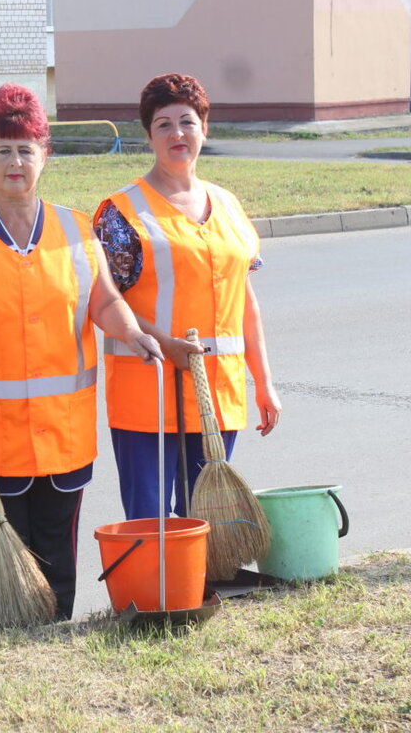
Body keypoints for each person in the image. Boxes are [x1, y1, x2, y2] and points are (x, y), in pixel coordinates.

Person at [0, 84, 161, 621]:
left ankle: (55, 645)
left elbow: (103, 301)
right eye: (3, 149)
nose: (15, 162)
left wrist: (131, 332)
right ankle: (7, 644)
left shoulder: (77, 231)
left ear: (45, 156)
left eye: (26, 149)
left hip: (63, 434)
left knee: (58, 555)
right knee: (5, 556)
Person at [93, 72, 282, 522]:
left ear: (204, 128)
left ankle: (198, 590)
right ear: (148, 136)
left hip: (218, 394)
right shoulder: (121, 211)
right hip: (148, 395)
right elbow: (101, 302)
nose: (177, 134)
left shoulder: (228, 205)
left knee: (208, 516)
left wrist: (265, 383)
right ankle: (158, 594)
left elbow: (245, 301)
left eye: (187, 121)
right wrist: (165, 344)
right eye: (164, 124)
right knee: (152, 520)